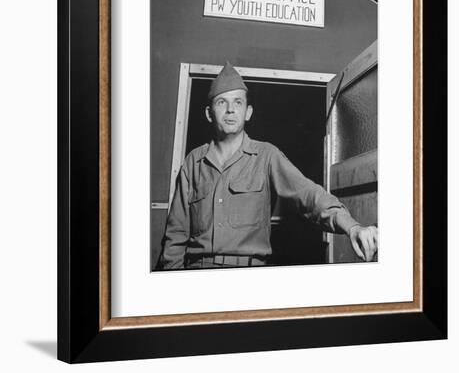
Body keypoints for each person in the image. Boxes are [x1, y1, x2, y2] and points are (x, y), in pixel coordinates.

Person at [159, 61, 378, 269]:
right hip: (198, 274)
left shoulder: (266, 155)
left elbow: (309, 195)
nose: (230, 110)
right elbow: (176, 235)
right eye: (221, 102)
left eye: (238, 102)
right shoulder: (193, 162)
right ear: (209, 113)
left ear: (248, 112)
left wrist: (352, 226)